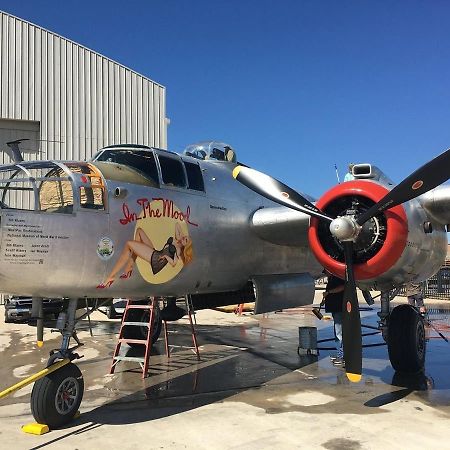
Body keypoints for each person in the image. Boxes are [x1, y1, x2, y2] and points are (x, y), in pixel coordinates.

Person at [97, 222, 193, 288]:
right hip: (156, 252)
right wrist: (182, 238)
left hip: (156, 259)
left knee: (129, 244)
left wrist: (166, 257)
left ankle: (111, 276)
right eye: (185, 237)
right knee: (139, 231)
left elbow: (173, 263)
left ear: (186, 245)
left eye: (186, 240)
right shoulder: (177, 241)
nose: (184, 237)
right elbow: (177, 225)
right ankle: (130, 266)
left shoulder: (178, 251)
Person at [321, 271, 346, 367]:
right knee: (338, 332)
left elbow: (342, 287)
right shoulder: (332, 279)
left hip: (339, 309)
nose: (325, 274)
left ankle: (341, 356)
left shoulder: (337, 277)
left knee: (339, 333)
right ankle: (340, 355)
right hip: (335, 309)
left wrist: (329, 292)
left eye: (326, 272)